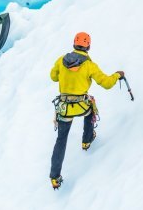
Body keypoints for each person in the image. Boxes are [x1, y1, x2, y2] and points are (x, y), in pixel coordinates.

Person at [49, 32, 124, 190]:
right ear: (88, 46)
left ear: (74, 44)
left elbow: (53, 77)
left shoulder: (61, 60)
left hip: (64, 108)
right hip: (81, 105)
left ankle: (55, 177)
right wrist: (117, 75)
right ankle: (86, 140)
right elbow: (106, 83)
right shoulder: (89, 65)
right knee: (90, 110)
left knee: (61, 140)